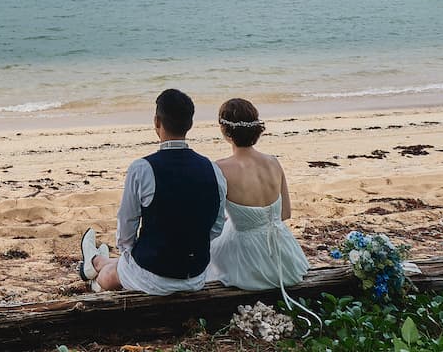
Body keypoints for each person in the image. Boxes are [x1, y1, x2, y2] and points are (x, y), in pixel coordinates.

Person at [78, 88, 226, 293]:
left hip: (155, 277)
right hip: (196, 275)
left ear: (156, 122)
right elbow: (216, 226)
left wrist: (131, 254)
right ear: (190, 124)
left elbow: (126, 226)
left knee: (113, 273)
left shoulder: (141, 168)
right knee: (124, 264)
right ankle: (95, 261)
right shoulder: (213, 169)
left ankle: (95, 270)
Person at [206, 97, 309, 291]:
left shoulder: (219, 168)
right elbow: (285, 214)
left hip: (247, 258)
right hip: (283, 254)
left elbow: (214, 223)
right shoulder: (273, 162)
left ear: (226, 131)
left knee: (212, 256)